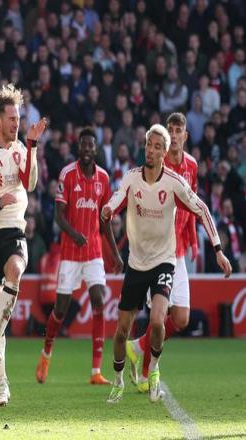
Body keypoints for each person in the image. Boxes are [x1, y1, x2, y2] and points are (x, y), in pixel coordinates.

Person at [101, 124, 231, 404]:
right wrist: (109, 208)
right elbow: (115, 198)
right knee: (121, 331)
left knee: (159, 320)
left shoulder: (174, 182)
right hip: (136, 264)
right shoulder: (131, 178)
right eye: (149, 144)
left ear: (164, 153)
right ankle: (119, 380)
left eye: (157, 147)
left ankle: (154, 369)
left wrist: (218, 250)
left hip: (164, 261)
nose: (151, 150)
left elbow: (202, 209)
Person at [0, 83, 47, 407]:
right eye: (12, 119)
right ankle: (2, 384)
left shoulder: (21, 147)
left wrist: (33, 146)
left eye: (19, 118)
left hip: (15, 228)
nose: (17, 123)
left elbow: (30, 182)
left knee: (15, 269)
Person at [35, 127, 124, 386]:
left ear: (95, 149)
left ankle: (96, 371)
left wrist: (115, 254)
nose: (86, 149)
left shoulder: (103, 178)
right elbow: (58, 215)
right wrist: (74, 235)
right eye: (83, 145)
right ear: (79, 148)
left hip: (94, 252)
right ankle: (46, 353)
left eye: (90, 145)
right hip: (71, 253)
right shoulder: (67, 174)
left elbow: (105, 221)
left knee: (99, 301)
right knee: (60, 309)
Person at [126, 112, 199, 392]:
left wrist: (193, 240)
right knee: (158, 316)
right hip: (156, 253)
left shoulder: (192, 166)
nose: (174, 134)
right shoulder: (156, 165)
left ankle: (137, 347)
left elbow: (192, 205)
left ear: (185, 136)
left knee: (181, 318)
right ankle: (146, 374)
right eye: (171, 129)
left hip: (178, 252)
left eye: (178, 130)